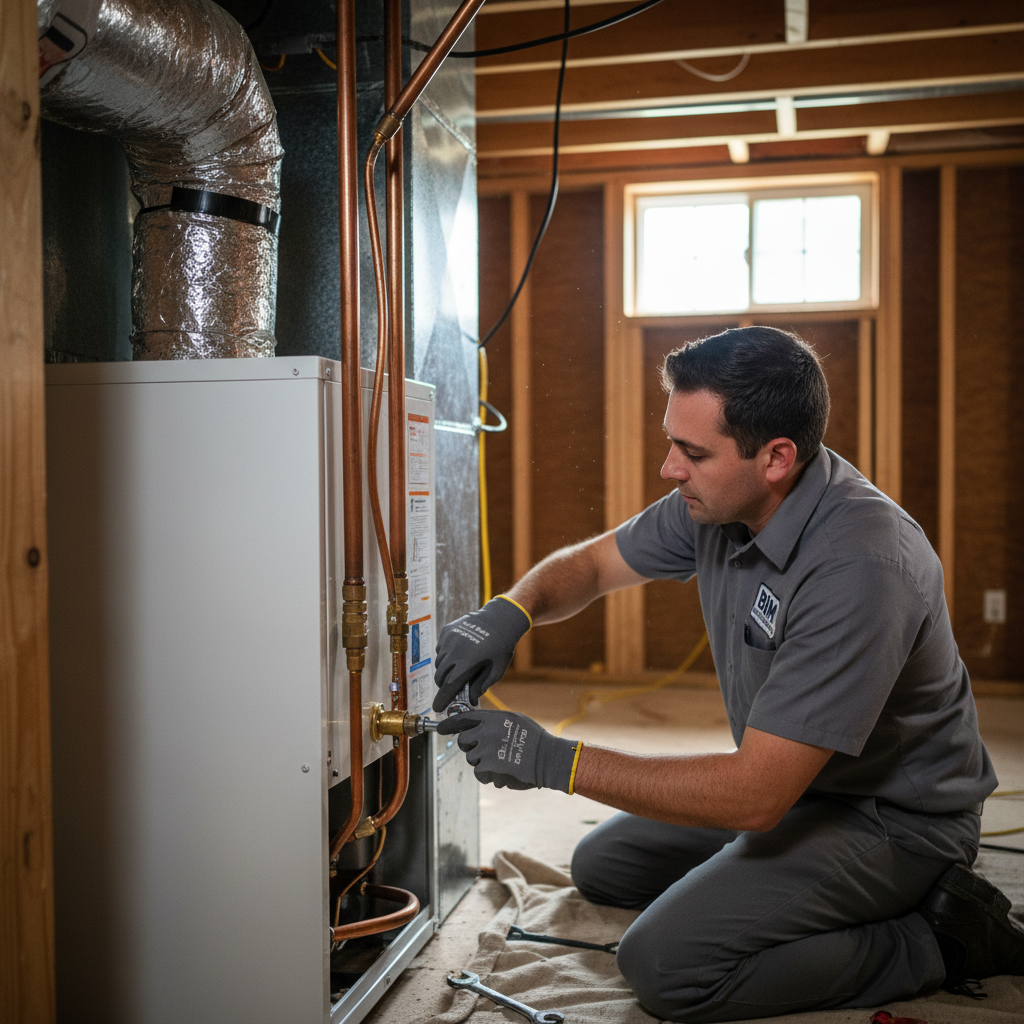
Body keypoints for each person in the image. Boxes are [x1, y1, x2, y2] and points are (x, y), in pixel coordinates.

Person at [432, 326, 1024, 1022]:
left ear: (776, 457)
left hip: (893, 820)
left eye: (693, 452)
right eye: (672, 443)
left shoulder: (863, 565)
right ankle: (781, 888)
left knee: (666, 965)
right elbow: (592, 564)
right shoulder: (719, 503)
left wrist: (551, 760)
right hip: (802, 790)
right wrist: (512, 610)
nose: (669, 469)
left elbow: (755, 797)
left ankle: (940, 941)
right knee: (603, 867)